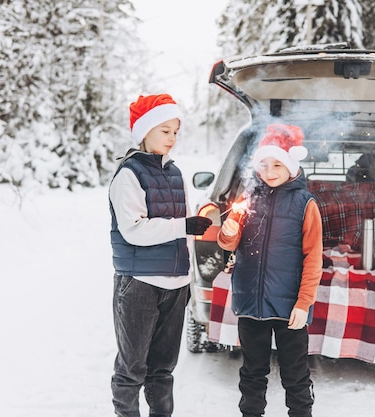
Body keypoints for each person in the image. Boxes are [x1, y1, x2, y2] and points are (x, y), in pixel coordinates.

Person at [109, 93, 212, 417]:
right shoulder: (129, 173)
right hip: (139, 284)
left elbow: (183, 227)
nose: (172, 138)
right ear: (145, 131)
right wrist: (184, 225)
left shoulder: (176, 172)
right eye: (164, 130)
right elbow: (134, 230)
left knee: (163, 369)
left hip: (176, 283)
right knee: (132, 367)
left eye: (176, 131)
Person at [217, 123, 323, 417]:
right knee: (252, 373)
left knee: (295, 374)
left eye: (278, 163)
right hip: (251, 304)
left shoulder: (305, 204)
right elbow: (230, 244)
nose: (270, 170)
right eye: (263, 164)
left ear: (291, 165)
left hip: (290, 307)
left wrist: (304, 303)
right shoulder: (249, 198)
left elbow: (313, 258)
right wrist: (227, 232)